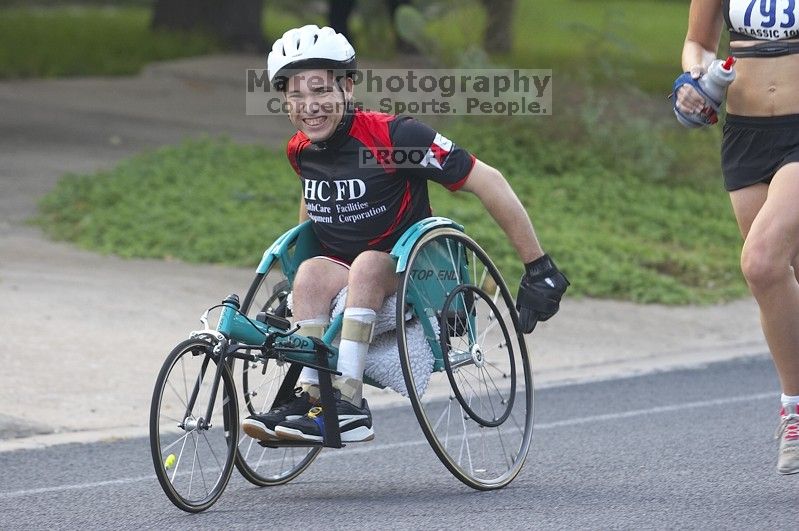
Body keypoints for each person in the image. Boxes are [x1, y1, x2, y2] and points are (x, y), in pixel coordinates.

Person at [242, 25, 568, 443]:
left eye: (321, 91)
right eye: (296, 96)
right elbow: (311, 203)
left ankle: (346, 401)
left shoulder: (396, 138)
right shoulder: (300, 148)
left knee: (366, 265)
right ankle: (312, 395)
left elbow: (487, 179)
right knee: (308, 274)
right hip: (349, 272)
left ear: (347, 87)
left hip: (412, 272)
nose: (310, 107)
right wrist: (302, 270)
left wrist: (537, 266)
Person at [673, 1, 799, 474]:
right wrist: (694, 83)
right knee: (783, 280)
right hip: (746, 135)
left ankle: (794, 409)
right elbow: (698, 44)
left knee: (761, 263)